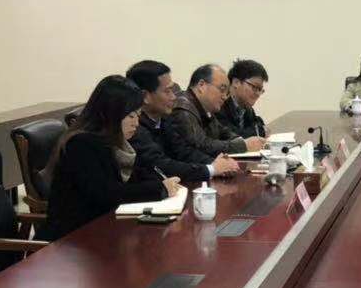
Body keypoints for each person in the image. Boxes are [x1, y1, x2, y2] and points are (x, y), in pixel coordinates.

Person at [40, 75, 180, 241]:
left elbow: (142, 174)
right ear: (110, 114)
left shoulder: (119, 143)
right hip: (72, 239)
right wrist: (159, 188)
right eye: (131, 116)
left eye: (138, 115)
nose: (136, 123)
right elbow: (107, 194)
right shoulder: (81, 144)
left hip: (104, 229)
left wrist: (163, 183)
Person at [125, 60, 237, 184]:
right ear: (145, 96)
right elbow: (161, 165)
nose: (174, 97)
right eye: (167, 91)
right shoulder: (133, 127)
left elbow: (184, 152)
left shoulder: (165, 119)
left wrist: (215, 162)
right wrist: (211, 169)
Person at [166, 63, 266, 161]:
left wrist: (241, 140)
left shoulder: (205, 108)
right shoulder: (183, 109)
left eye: (226, 92)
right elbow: (202, 145)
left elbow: (222, 131)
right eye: (222, 90)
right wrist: (242, 145)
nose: (225, 97)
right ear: (201, 85)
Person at [221, 58, 270, 138]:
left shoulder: (246, 107)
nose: (258, 94)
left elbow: (258, 124)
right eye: (254, 87)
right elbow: (230, 136)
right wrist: (261, 131)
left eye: (260, 90)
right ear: (236, 82)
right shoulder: (219, 104)